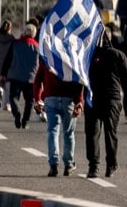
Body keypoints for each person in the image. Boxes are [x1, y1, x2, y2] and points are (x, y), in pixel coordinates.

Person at [86, 24, 127, 179]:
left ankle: (93, 167)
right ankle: (111, 165)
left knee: (93, 133)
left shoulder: (89, 56)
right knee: (110, 132)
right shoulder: (118, 55)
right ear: (110, 37)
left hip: (93, 98)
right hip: (112, 98)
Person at [35, 43, 85, 177]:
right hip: (68, 99)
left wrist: (37, 98)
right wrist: (79, 101)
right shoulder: (71, 58)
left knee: (52, 131)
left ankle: (53, 164)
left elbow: (38, 79)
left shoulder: (47, 58)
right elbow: (78, 80)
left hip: (50, 98)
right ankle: (68, 164)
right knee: (68, 132)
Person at [6, 21, 41, 128]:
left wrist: (4, 73)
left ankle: (16, 112)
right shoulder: (37, 47)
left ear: (24, 32)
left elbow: (8, 59)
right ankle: (25, 121)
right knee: (29, 101)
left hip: (15, 76)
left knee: (13, 97)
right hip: (31, 78)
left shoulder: (15, 44)